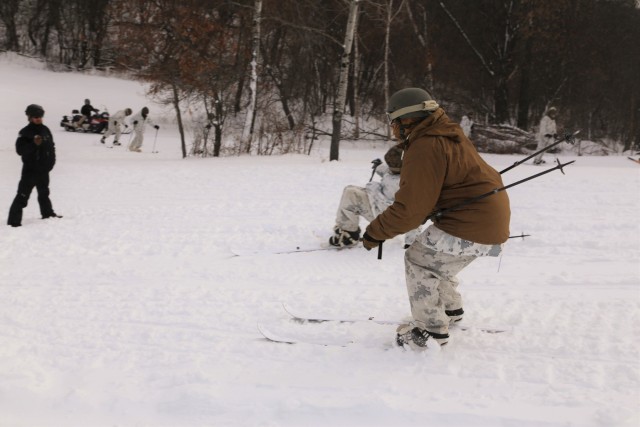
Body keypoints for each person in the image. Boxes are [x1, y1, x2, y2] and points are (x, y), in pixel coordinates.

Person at [361, 88, 511, 350]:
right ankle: (450, 310)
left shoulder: (425, 145)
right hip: (488, 219)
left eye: (393, 121)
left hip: (471, 221)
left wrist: (375, 232)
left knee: (419, 260)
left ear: (407, 119)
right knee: (437, 258)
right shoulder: (448, 134)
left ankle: (428, 332)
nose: (392, 128)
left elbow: (409, 209)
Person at [328, 144, 419, 249]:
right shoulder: (403, 173)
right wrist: (378, 166)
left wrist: (411, 242)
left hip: (384, 218)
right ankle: (348, 229)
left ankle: (348, 236)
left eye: (391, 165)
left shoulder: (404, 184)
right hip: (382, 211)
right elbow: (387, 172)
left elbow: (414, 213)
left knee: (351, 194)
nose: (390, 168)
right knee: (351, 191)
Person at [7, 104, 61, 227]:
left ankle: (47, 213)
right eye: (36, 116)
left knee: (44, 193)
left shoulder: (45, 129)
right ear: (30, 117)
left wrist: (51, 163)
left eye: (41, 116)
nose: (39, 119)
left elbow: (51, 147)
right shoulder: (25, 132)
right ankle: (13, 221)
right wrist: (33, 144)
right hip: (30, 171)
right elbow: (20, 151)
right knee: (22, 195)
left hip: (43, 170)